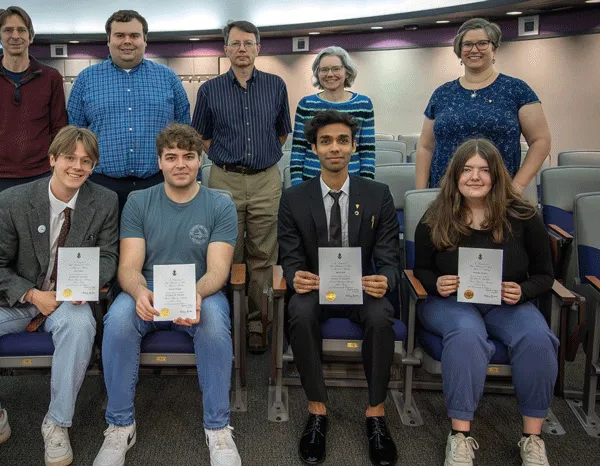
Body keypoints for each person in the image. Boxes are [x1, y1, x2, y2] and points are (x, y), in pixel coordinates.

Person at [0, 126, 119, 466]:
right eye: (70, 157)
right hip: (16, 298)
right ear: (52, 159)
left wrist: (82, 286)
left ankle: (57, 422)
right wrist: (31, 293)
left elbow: (109, 257)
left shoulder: (105, 201)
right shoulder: (13, 201)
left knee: (80, 327)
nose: (77, 167)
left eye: (86, 161)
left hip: (69, 302)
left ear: (93, 167)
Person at [94, 124, 241, 466]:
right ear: (159, 161)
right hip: (147, 292)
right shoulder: (138, 201)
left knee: (215, 326)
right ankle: (119, 425)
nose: (180, 164)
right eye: (171, 157)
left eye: (188, 157)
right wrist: (138, 291)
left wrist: (196, 295)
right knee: (116, 320)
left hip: (199, 291)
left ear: (200, 160)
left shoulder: (220, 204)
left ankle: (218, 429)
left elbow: (218, 269)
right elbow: (129, 266)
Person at [414, 138, 558, 466]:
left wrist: (523, 291)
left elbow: (545, 275)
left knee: (537, 339)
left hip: (507, 305)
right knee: (467, 335)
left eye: (483, 170)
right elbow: (420, 268)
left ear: (497, 175)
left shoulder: (524, 216)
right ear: (455, 175)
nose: (475, 177)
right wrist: (436, 282)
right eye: (466, 170)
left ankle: (532, 438)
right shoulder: (436, 215)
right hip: (450, 304)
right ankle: (461, 436)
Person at [278, 110, 400, 466]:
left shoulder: (378, 195)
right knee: (298, 313)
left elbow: (390, 257)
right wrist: (294, 275)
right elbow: (289, 255)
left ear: (354, 146)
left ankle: (376, 413)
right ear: (314, 148)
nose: (335, 148)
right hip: (315, 286)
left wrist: (387, 279)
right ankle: (317, 410)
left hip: (361, 287)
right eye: (326, 141)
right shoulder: (294, 198)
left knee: (381, 317)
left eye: (342, 140)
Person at [192, 19, 292, 352]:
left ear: (258, 47)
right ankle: (223, 322)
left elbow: (281, 133)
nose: (242, 49)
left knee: (263, 256)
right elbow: (202, 137)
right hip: (223, 179)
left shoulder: (276, 86)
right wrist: (228, 160)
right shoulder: (209, 90)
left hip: (266, 179)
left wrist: (256, 159)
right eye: (235, 43)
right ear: (226, 49)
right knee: (225, 253)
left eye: (248, 43)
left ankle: (256, 324)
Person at [68, 9, 191, 211]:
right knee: (104, 242)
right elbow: (74, 133)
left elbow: (185, 129)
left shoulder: (168, 78)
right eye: (120, 35)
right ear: (108, 40)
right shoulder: (86, 79)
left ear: (145, 40)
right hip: (100, 185)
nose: (127, 41)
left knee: (157, 242)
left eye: (134, 35)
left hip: (158, 183)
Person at [415, 18, 551, 191]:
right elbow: (426, 147)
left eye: (482, 43)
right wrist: (420, 193)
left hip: (497, 193)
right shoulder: (442, 93)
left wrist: (517, 186)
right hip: (445, 193)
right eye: (467, 44)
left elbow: (541, 141)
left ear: (494, 48)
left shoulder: (517, 89)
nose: (474, 50)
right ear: (459, 50)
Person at [0, 6, 67, 227]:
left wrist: (55, 175)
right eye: (8, 30)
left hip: (41, 176)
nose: (15, 36)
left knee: (41, 246)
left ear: (30, 36)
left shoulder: (50, 77)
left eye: (21, 30)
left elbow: (60, 131)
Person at [290, 46, 375, 185]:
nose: (330, 74)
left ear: (346, 72)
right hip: (310, 182)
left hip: (352, 183)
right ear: (317, 73)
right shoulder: (306, 104)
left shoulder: (364, 104)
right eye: (324, 70)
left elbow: (367, 152)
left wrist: (366, 187)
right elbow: (298, 151)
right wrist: (297, 186)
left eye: (336, 69)